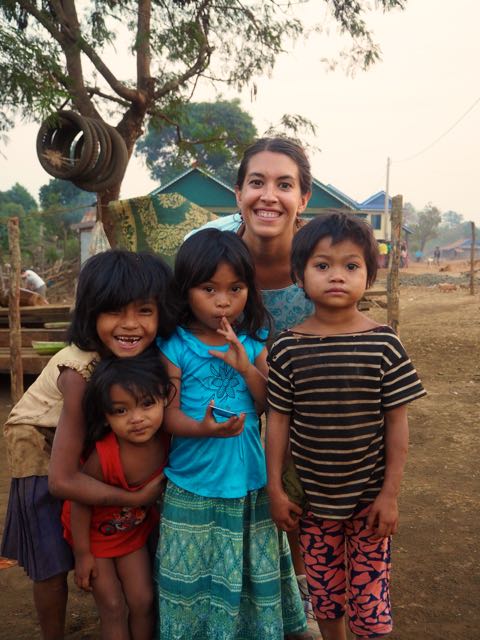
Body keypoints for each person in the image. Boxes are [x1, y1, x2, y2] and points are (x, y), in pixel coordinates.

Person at [266, 212, 427, 640]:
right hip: (312, 502)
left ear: (368, 276)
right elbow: (277, 423)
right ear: (299, 276)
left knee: (369, 600)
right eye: (322, 265)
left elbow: (397, 425)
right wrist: (276, 489)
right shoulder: (287, 348)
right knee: (325, 596)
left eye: (351, 265)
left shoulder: (384, 343)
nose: (337, 275)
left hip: (370, 500)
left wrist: (390, 495)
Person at [1, 249, 173, 640]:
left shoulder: (140, 353)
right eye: (114, 311)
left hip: (88, 442)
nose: (130, 324)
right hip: (39, 443)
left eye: (145, 311)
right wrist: (133, 499)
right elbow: (62, 481)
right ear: (90, 313)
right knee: (51, 559)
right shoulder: (78, 372)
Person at [186, 136, 319, 638]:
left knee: (298, 476)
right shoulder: (209, 245)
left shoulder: (320, 256)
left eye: (284, 185)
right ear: (237, 192)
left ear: (303, 198)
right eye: (256, 182)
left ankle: (300, 591)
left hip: (299, 384)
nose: (269, 196)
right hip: (221, 382)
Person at [155, 228, 308, 639]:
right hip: (194, 480)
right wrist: (202, 428)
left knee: (245, 573)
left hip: (248, 483)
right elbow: (167, 416)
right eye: (209, 289)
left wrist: (245, 367)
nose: (223, 301)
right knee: (194, 572)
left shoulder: (252, 340)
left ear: (249, 291)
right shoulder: (175, 345)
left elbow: (272, 404)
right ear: (185, 289)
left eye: (235, 289)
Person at [62, 352, 171, 640]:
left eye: (147, 404)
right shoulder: (104, 456)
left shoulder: (168, 441)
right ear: (106, 417)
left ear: (164, 398)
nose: (137, 419)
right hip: (93, 538)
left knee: (143, 600)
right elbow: (80, 502)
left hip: (131, 535)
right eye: (121, 411)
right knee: (112, 607)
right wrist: (82, 554)